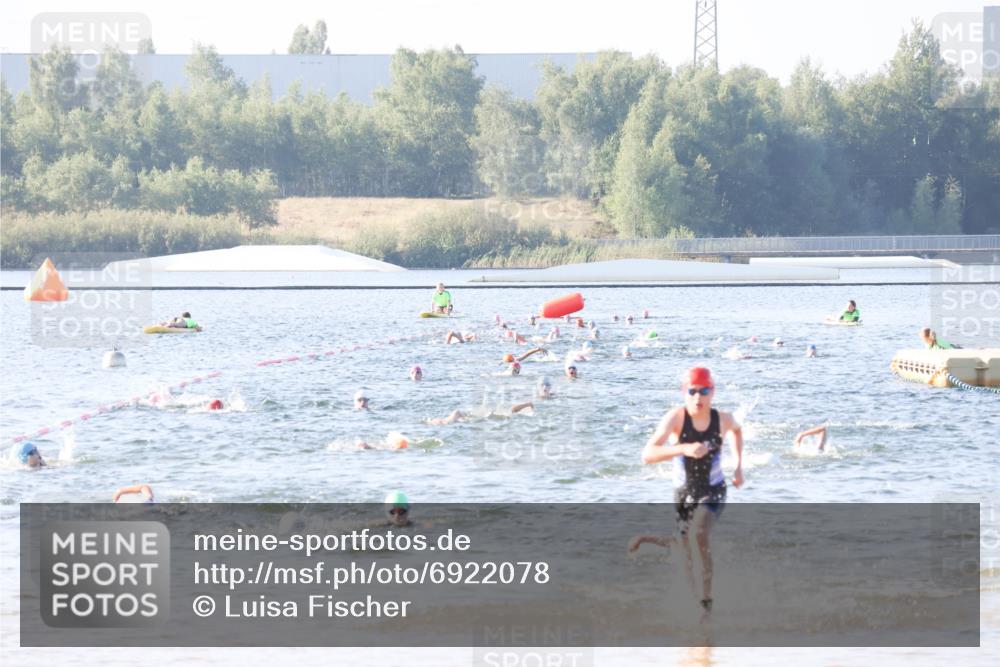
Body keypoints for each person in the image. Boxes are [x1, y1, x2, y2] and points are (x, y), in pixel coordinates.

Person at [637, 367, 744, 618]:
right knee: (685, 549)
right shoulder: (676, 418)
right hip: (684, 494)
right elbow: (647, 455)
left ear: (712, 392)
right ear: (684, 393)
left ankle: (706, 603)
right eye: (693, 391)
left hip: (714, 490)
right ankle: (692, 599)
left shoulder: (723, 419)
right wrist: (682, 448)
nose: (698, 397)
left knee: (699, 533)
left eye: (704, 391)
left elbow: (737, 431)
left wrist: (739, 466)